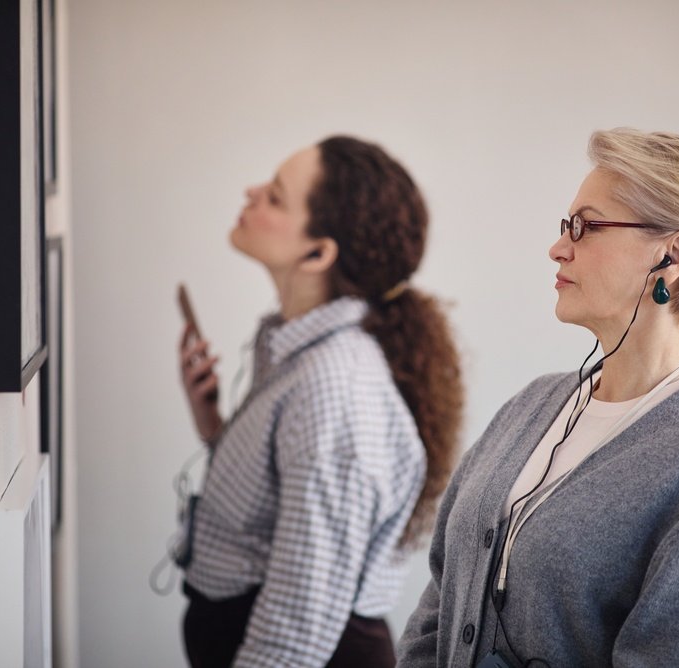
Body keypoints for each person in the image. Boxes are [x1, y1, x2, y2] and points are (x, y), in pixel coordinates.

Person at [396, 128, 679, 667]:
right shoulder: (533, 405)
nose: (558, 247)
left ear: (674, 255)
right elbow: (441, 597)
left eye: (585, 227)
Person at [178, 135, 464, 667]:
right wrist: (213, 423)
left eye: (276, 196)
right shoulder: (295, 349)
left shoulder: (333, 385)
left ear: (318, 252)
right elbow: (279, 503)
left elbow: (296, 625)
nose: (251, 192)